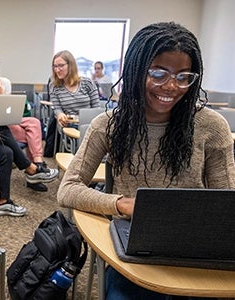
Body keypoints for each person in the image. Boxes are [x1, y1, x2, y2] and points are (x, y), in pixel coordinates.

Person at [57, 21, 235, 300]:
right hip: (136, 246)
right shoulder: (110, 125)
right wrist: (122, 204)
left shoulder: (212, 127)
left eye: (184, 76)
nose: (172, 86)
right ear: (136, 71)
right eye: (158, 73)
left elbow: (227, 201)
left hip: (196, 246)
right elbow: (67, 189)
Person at [0, 52, 58, 197]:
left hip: (6, 119)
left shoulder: (4, 82)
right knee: (30, 133)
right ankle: (35, 171)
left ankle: (37, 163)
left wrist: (0, 97)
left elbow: (6, 108)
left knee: (34, 122)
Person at [50, 50, 100, 128]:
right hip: (69, 126)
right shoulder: (54, 86)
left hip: (89, 125)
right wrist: (60, 114)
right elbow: (57, 108)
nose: (57, 70)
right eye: (55, 66)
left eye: (61, 65)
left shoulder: (87, 83)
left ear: (70, 66)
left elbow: (96, 110)